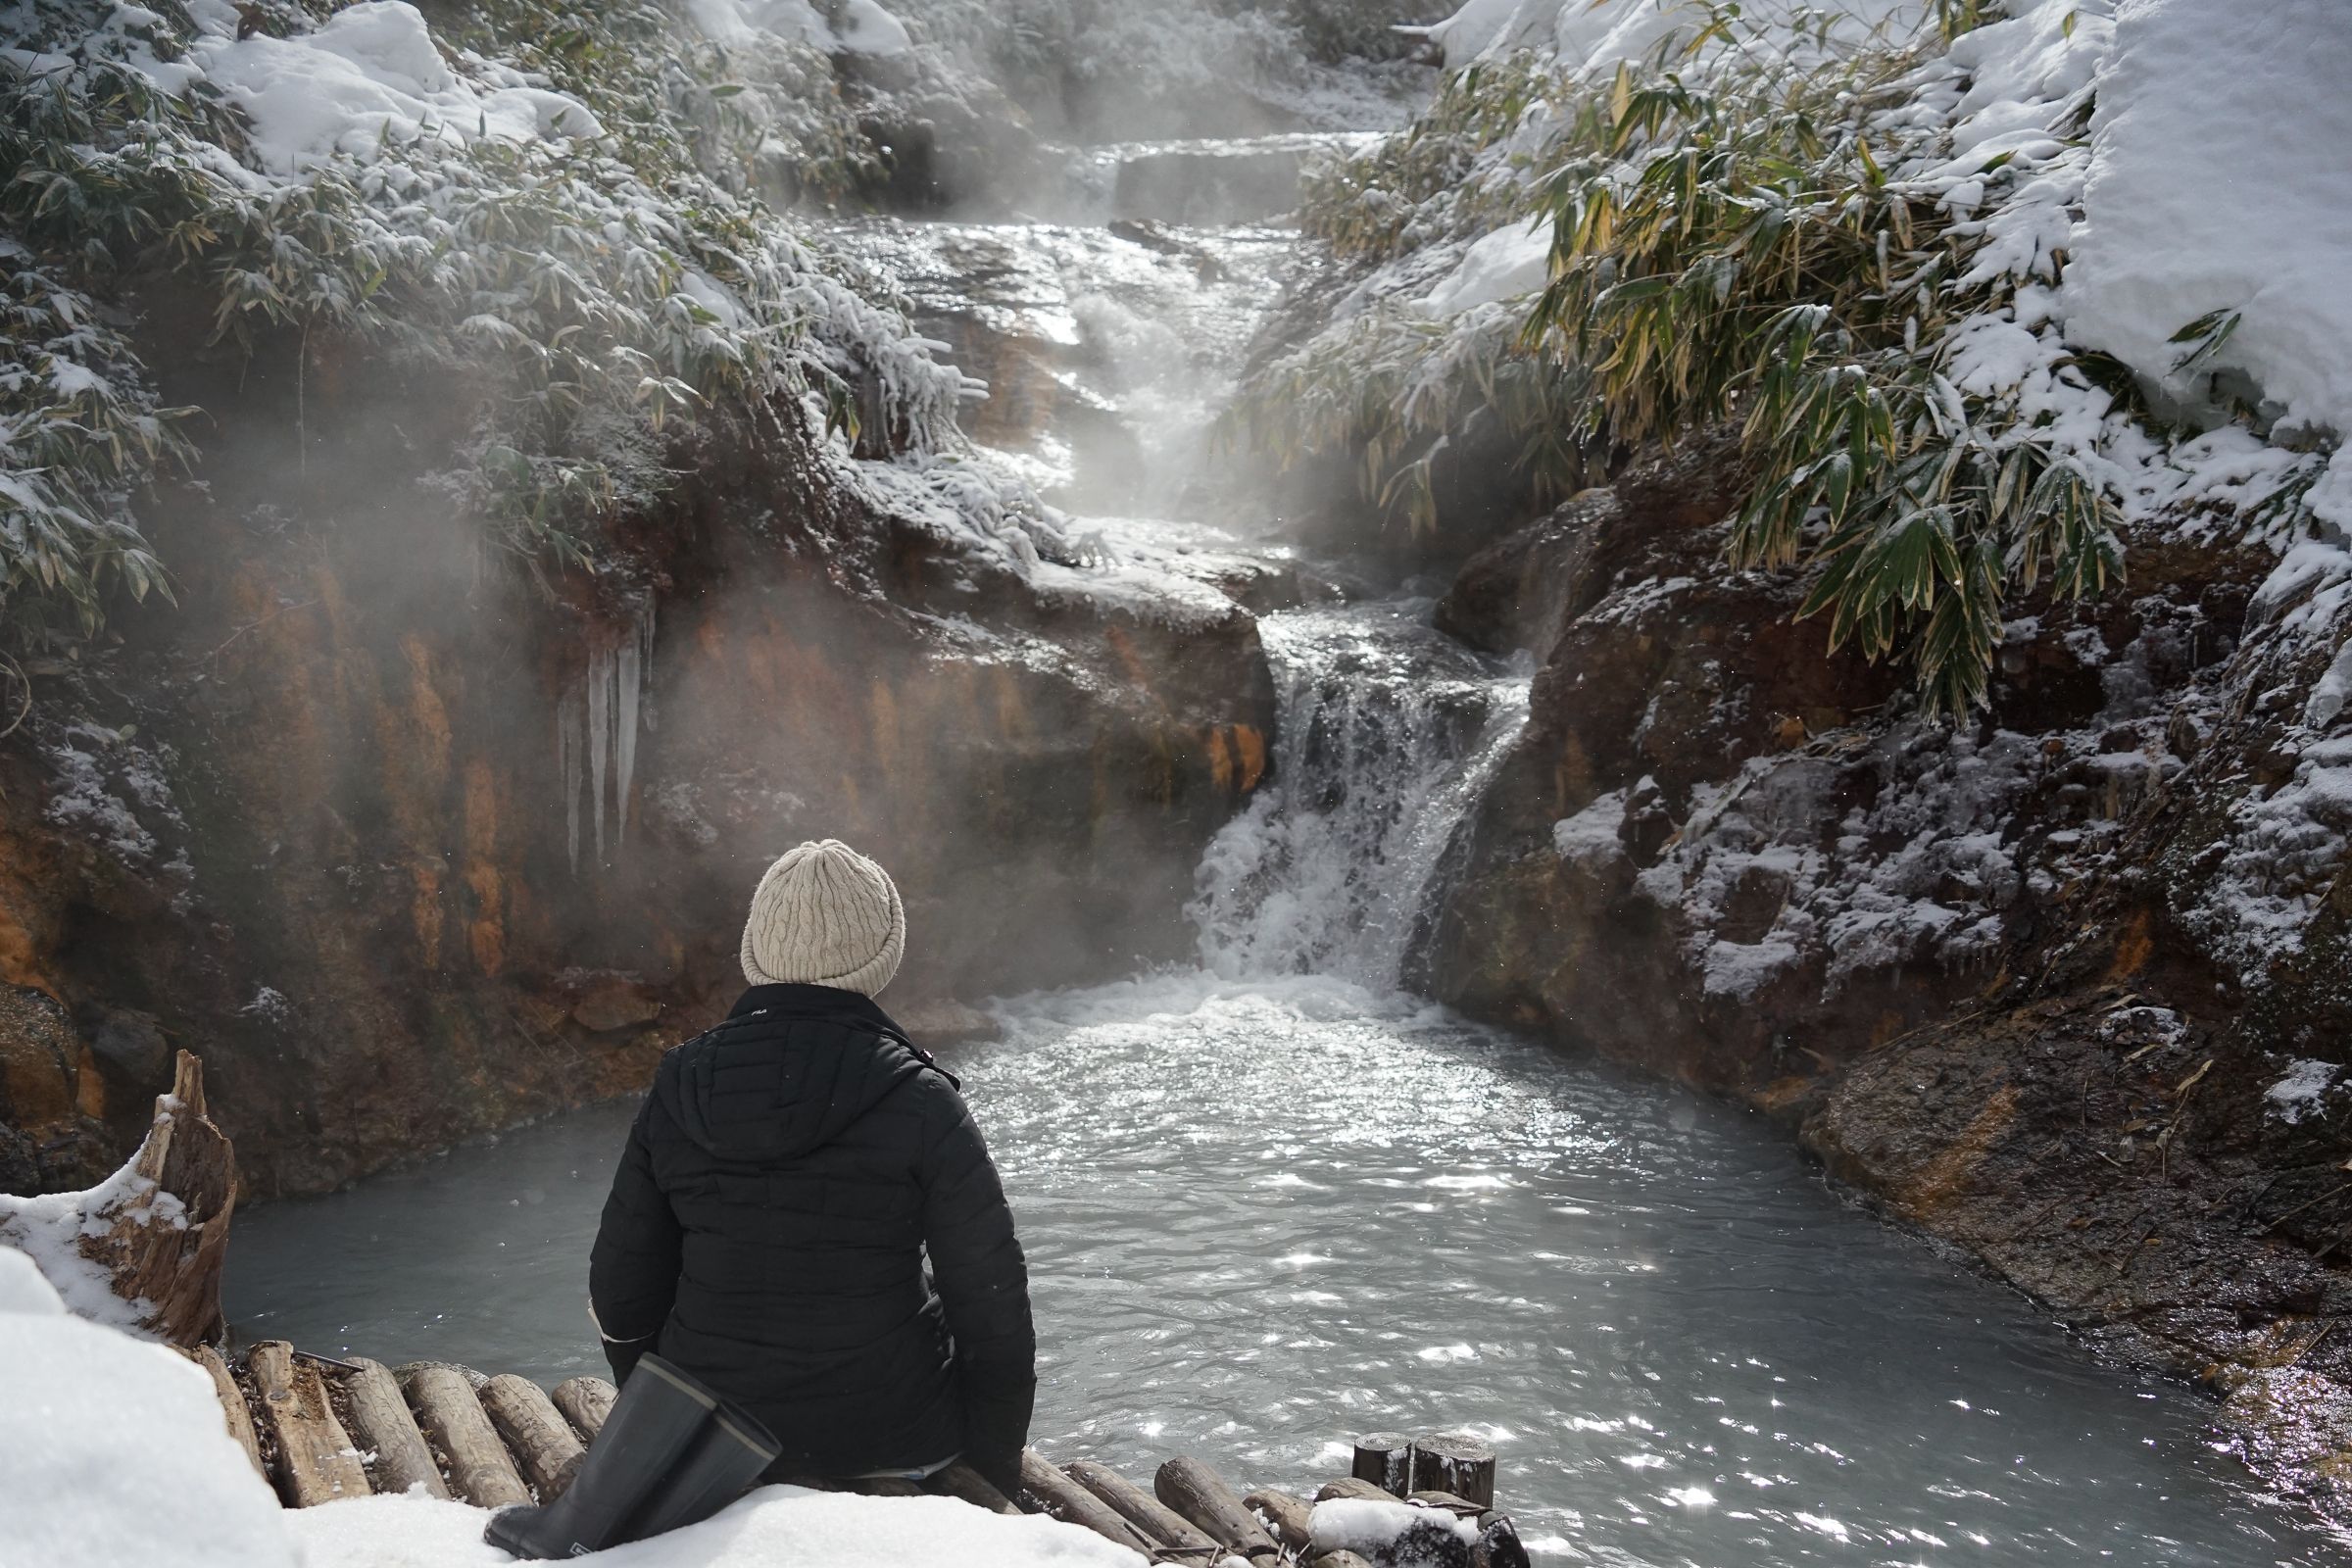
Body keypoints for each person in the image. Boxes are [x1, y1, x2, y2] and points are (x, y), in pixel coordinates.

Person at [587, 839, 1036, 1499]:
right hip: (894, 1439)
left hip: (710, 1442)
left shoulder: (680, 1084)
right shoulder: (920, 1099)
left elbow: (620, 1294)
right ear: (883, 956)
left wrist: (664, 1415)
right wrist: (993, 1469)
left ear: (758, 951)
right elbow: (993, 1315)